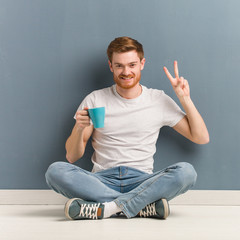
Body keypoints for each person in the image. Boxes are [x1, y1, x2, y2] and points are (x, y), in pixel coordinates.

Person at [45, 36, 209, 220]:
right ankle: (140, 207)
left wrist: (185, 99)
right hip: (101, 179)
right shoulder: (95, 99)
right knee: (55, 171)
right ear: (111, 66)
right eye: (119, 65)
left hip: (143, 181)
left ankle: (108, 208)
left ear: (142, 63)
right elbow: (71, 156)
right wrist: (79, 128)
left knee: (186, 173)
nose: (126, 71)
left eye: (132, 65)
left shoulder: (158, 99)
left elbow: (201, 137)